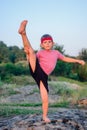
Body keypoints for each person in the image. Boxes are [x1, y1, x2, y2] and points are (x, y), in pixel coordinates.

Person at [18, 20, 85, 123]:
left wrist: (78, 60)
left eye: (49, 42)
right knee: (30, 51)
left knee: (45, 98)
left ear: (53, 43)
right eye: (45, 42)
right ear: (42, 45)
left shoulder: (56, 53)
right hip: (37, 70)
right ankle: (23, 33)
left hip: (44, 76)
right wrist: (28, 55)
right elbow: (32, 59)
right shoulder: (40, 52)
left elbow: (66, 58)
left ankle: (44, 116)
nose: (47, 44)